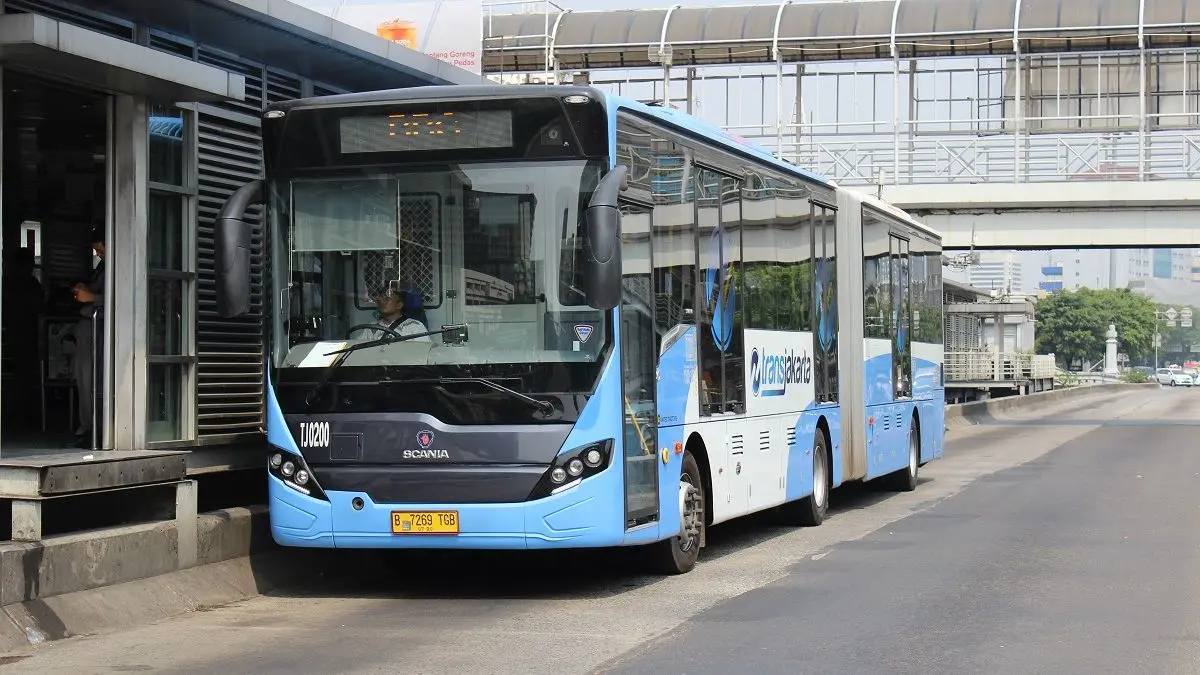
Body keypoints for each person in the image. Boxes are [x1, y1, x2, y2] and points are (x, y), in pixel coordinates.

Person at [71, 227, 105, 448]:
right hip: (88, 325)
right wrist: (86, 289)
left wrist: (92, 297)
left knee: (94, 379)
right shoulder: (102, 266)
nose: (98, 255)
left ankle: (97, 428)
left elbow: (119, 294)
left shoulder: (121, 263)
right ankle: (87, 427)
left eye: (100, 250)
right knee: (83, 378)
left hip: (101, 325)